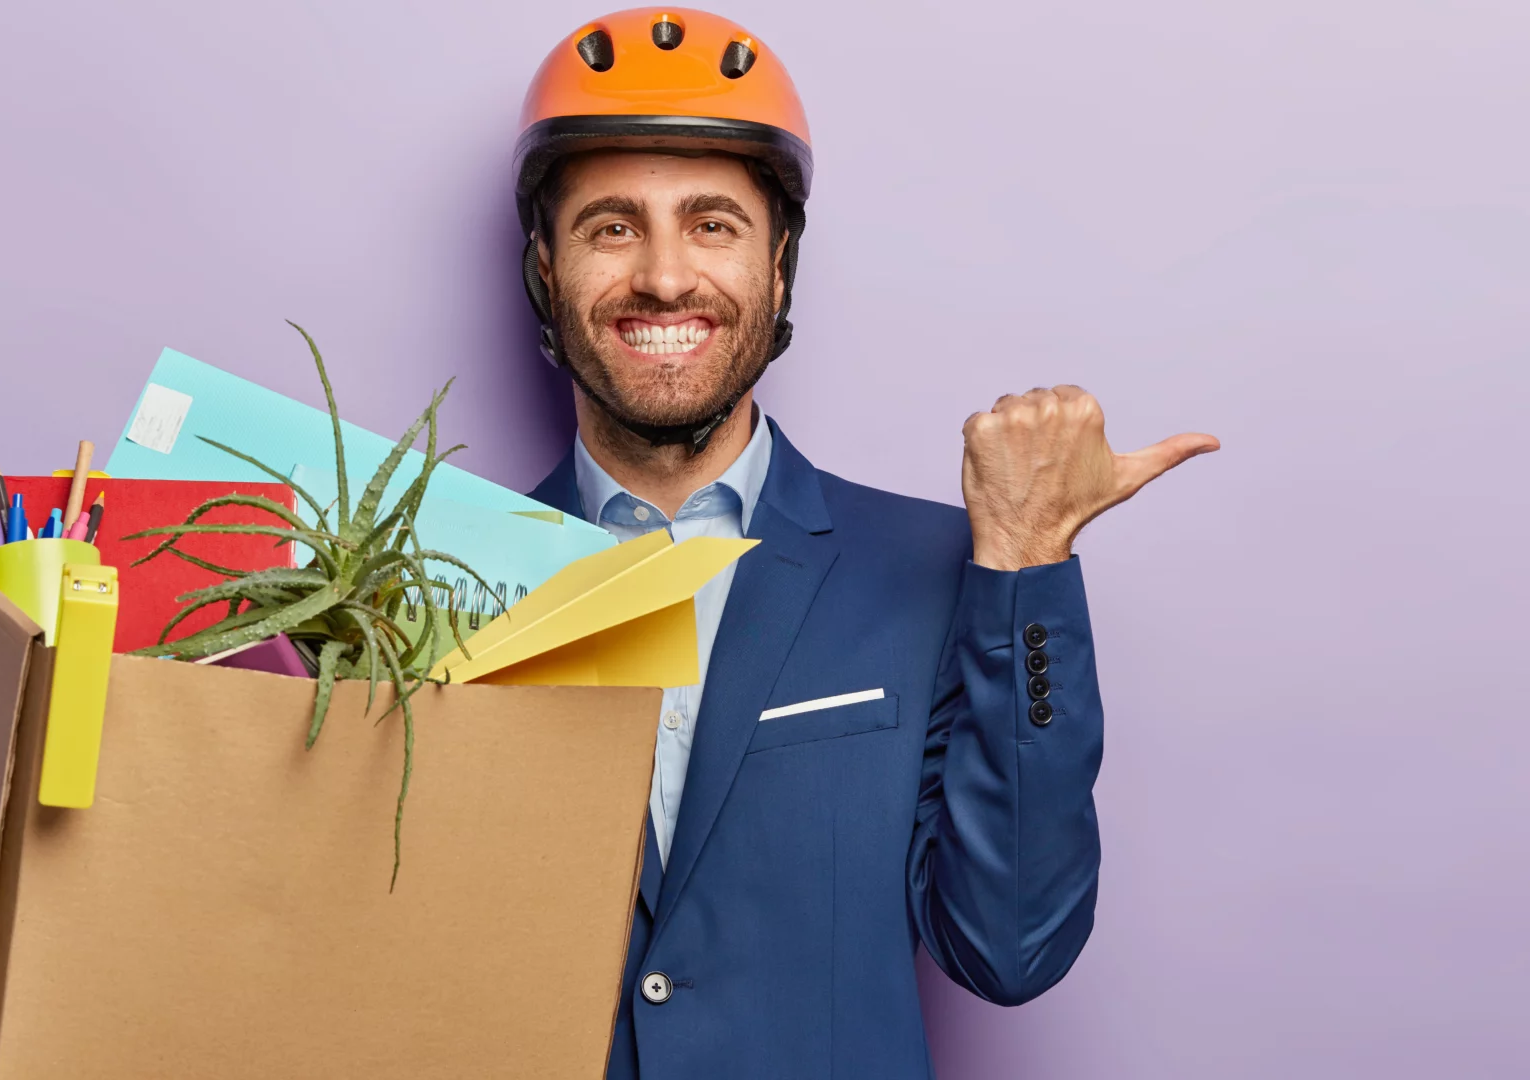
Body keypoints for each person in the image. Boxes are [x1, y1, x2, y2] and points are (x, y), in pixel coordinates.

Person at [511, 10, 1218, 1077]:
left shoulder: (932, 572)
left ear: (779, 266)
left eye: (712, 224)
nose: (663, 277)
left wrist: (1025, 568)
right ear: (543, 270)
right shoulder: (434, 588)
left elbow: (1012, 948)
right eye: (612, 227)